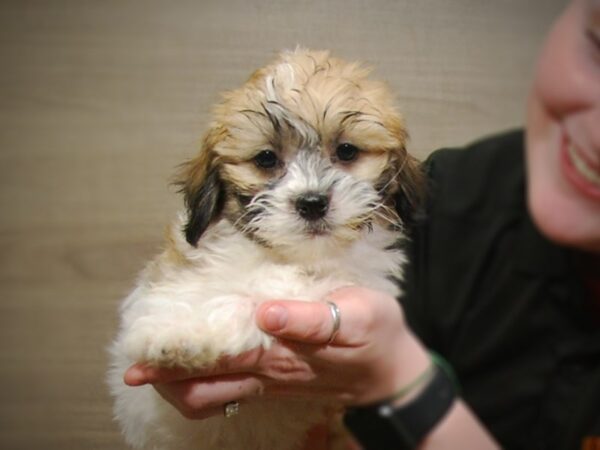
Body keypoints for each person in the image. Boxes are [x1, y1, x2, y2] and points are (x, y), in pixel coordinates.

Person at [123, 0, 600, 448]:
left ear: (393, 168)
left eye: (346, 153)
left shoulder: (395, 230)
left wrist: (403, 381)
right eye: (267, 160)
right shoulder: (460, 191)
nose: (311, 192)